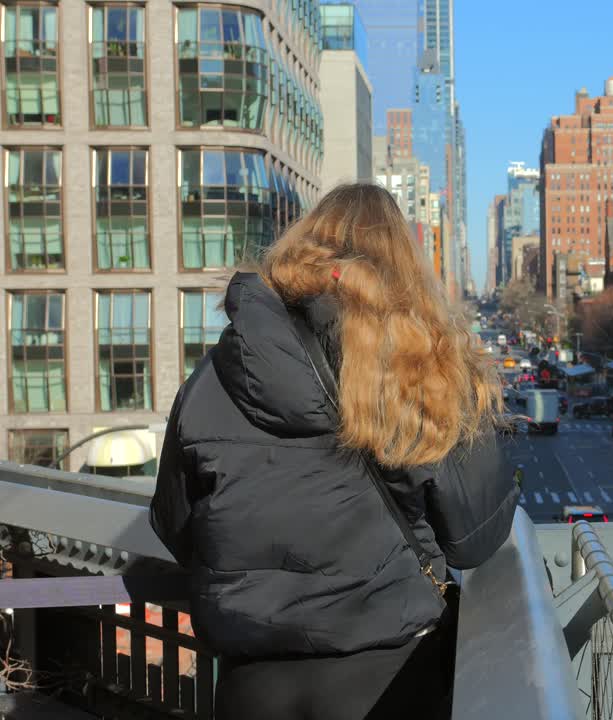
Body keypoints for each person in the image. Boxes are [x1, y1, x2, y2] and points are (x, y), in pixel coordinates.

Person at [149, 184, 517, 720]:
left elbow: (175, 523)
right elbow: (473, 538)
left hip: (248, 684)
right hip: (389, 677)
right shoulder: (419, 367)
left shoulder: (212, 375)